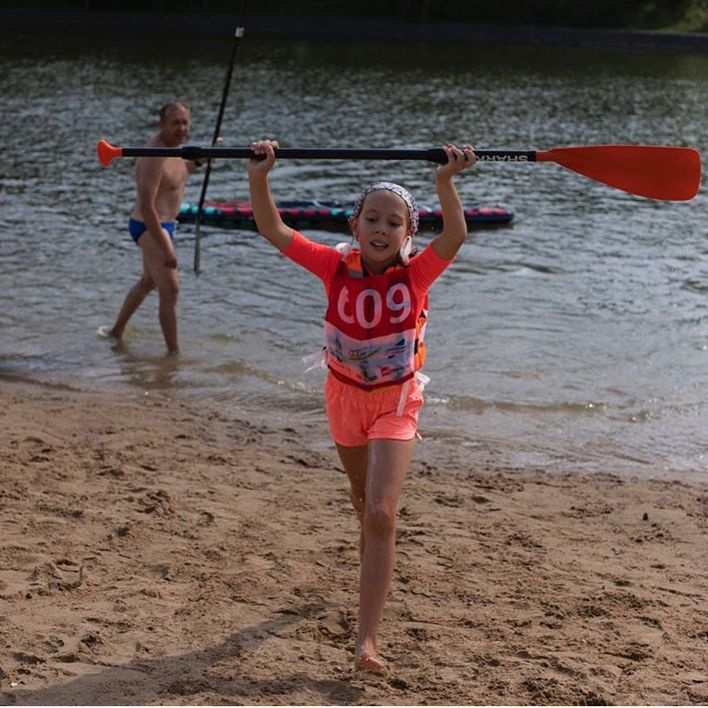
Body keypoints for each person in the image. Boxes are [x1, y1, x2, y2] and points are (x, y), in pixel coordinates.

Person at [247, 139, 477, 674]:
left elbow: (457, 235)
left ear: (407, 234)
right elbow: (274, 231)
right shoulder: (333, 268)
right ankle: (370, 565)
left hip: (397, 402)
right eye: (371, 218)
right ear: (355, 228)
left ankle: (365, 641)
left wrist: (446, 183)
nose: (380, 228)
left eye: (393, 222)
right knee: (360, 498)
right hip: (343, 399)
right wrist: (261, 177)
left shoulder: (416, 275)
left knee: (380, 512)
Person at [100, 102, 203, 354]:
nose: (181, 129)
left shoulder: (174, 149)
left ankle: (116, 331)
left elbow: (177, 174)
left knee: (148, 282)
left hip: (166, 224)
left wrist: (199, 162)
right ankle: (173, 355)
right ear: (161, 125)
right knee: (171, 288)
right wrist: (166, 246)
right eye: (175, 123)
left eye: (185, 123)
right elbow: (147, 207)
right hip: (149, 225)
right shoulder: (153, 155)